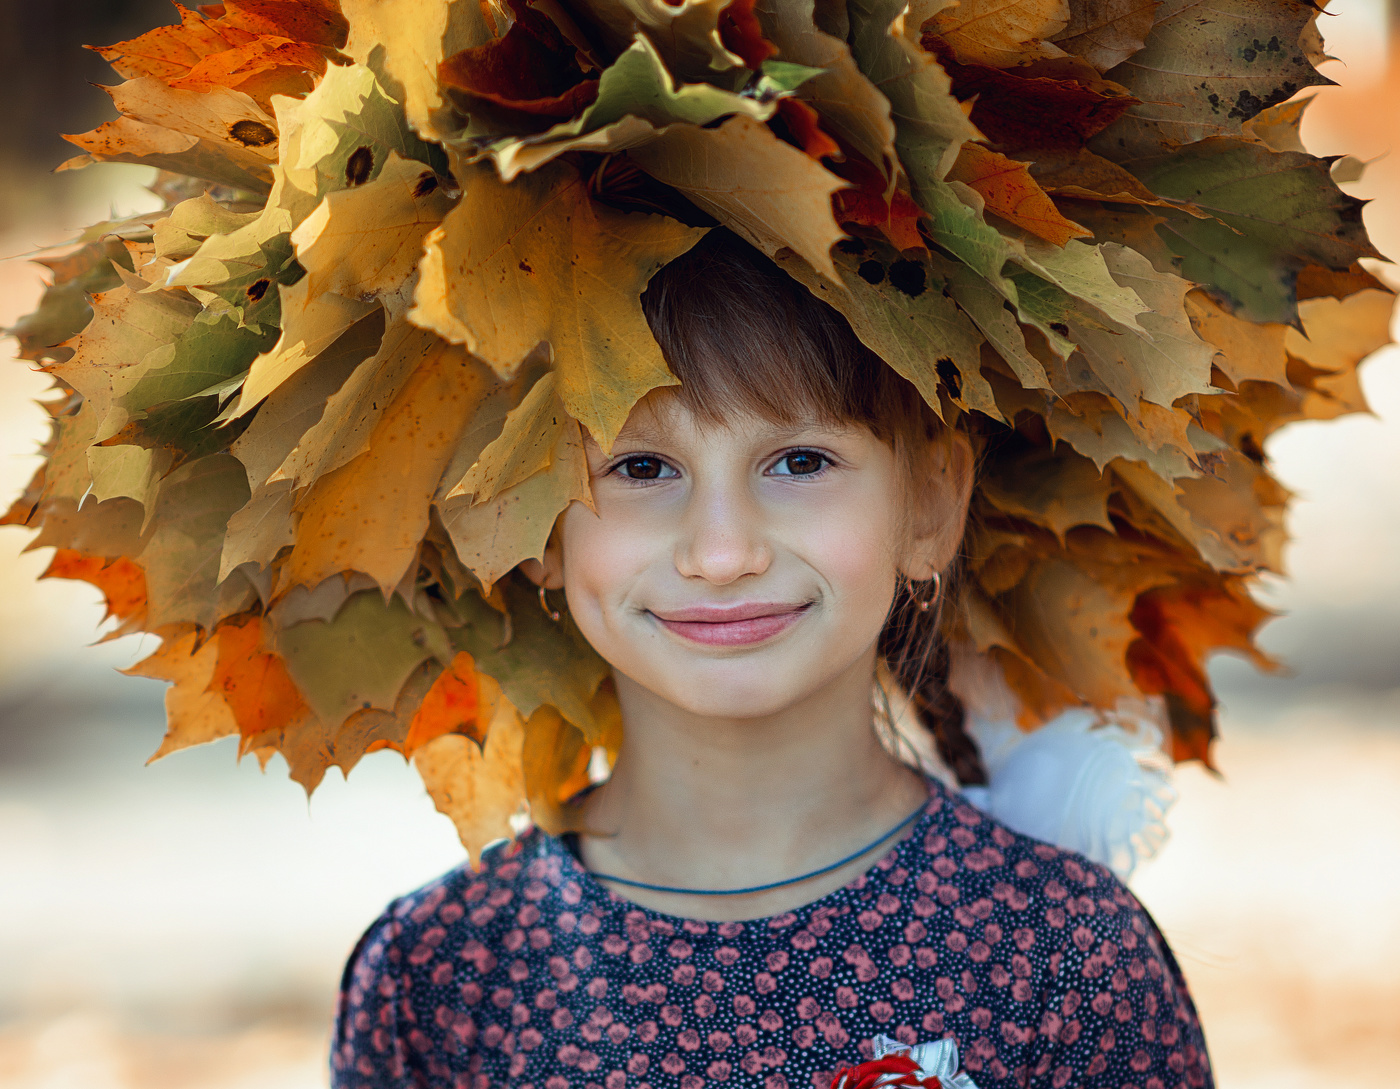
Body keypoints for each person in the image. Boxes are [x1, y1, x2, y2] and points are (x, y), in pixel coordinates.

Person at [329, 231, 1213, 1089]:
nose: (722, 553)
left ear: (931, 504)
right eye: (642, 467)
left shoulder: (1064, 962)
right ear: (533, 515)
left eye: (799, 460)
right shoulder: (436, 984)